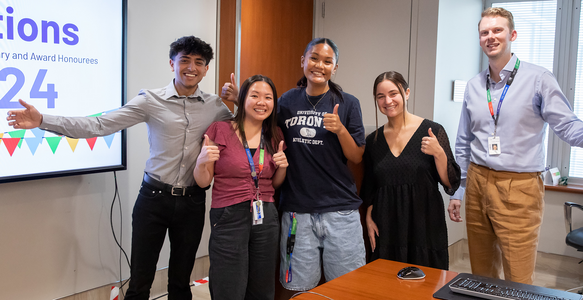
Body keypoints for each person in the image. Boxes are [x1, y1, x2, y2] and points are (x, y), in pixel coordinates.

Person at [6, 36, 236, 300]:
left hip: (193, 201)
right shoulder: (150, 100)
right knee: (139, 283)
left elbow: (245, 129)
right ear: (171, 63)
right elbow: (100, 125)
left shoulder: (215, 106)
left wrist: (240, 98)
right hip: (153, 200)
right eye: (184, 60)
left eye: (198, 62)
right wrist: (43, 120)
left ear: (206, 69)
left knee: (181, 284)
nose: (191, 67)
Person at [451, 7, 583, 284]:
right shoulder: (475, 85)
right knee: (482, 273)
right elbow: (464, 141)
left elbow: (567, 126)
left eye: (497, 30)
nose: (490, 36)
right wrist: (459, 189)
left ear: (512, 34)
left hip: (519, 188)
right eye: (484, 32)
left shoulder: (538, 79)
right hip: (476, 182)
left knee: (518, 278)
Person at [225, 38, 367, 291]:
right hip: (296, 212)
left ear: (335, 68)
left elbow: (356, 157)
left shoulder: (348, 103)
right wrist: (241, 99)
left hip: (340, 211)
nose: (319, 65)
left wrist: (340, 130)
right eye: (313, 58)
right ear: (303, 61)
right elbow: (261, 120)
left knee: (349, 288)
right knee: (298, 288)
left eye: (327, 61)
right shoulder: (287, 101)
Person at [193, 75, 287, 300]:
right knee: (229, 284)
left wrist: (282, 167)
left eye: (268, 97)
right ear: (243, 98)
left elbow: (273, 183)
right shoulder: (220, 129)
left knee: (262, 285)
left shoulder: (274, 135)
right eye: (254, 96)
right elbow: (203, 181)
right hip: (228, 215)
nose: (261, 102)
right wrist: (202, 161)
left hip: (266, 215)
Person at [361, 71, 461, 269]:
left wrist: (439, 153)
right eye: (381, 96)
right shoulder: (373, 141)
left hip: (424, 222)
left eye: (393, 93)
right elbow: (371, 186)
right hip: (387, 223)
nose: (387, 101)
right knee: (387, 281)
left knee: (426, 282)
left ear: (406, 93)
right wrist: (368, 217)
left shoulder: (432, 131)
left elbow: (450, 183)